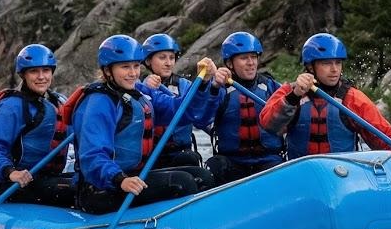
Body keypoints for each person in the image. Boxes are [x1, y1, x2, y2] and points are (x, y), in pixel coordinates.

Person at [68, 34, 214, 214]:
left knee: (202, 176)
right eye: (125, 67)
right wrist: (120, 179)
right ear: (107, 70)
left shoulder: (139, 93)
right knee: (183, 182)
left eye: (136, 66)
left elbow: (180, 110)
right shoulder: (99, 102)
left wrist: (202, 83)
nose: (133, 73)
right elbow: (92, 155)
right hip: (102, 187)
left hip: (132, 177)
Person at [260, 32, 391, 159]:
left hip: (342, 174)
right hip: (301, 173)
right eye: (326, 63)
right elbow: (268, 125)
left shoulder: (352, 98)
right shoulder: (291, 92)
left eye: (338, 63)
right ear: (310, 67)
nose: (334, 69)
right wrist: (294, 96)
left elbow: (381, 136)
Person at [0, 43, 74, 206]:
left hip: (49, 178)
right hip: (16, 182)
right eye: (34, 71)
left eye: (46, 70)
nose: (41, 77)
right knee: (75, 190)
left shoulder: (59, 102)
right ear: (23, 75)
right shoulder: (12, 106)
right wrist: (10, 172)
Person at [189, 31, 286, 184]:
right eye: (244, 58)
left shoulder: (271, 87)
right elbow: (200, 120)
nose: (251, 63)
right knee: (214, 165)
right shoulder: (220, 89)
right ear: (229, 63)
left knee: (282, 169)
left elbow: (292, 115)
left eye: (253, 57)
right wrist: (213, 87)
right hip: (233, 162)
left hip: (269, 160)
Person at [140, 32, 201, 167]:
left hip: (181, 153)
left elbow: (199, 113)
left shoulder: (185, 85)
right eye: (162, 58)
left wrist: (210, 86)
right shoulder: (140, 87)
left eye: (172, 58)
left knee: (189, 159)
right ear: (148, 61)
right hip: (152, 158)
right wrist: (147, 88)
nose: (168, 63)